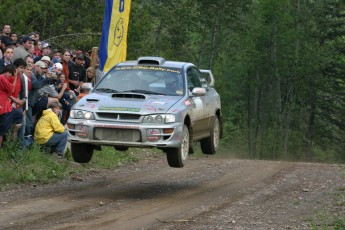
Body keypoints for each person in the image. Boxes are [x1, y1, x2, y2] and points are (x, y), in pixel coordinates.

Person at [0, 64, 23, 146]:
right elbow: (11, 89)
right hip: (3, 106)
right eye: (9, 73)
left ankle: (10, 141)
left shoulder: (4, 78)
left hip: (5, 105)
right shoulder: (2, 77)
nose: (10, 75)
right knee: (2, 131)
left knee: (19, 115)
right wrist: (15, 77)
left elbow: (9, 92)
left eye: (11, 74)